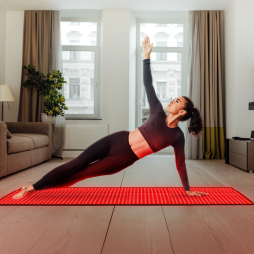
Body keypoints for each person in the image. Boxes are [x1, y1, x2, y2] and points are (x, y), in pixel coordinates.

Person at [12, 36, 209, 200]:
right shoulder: (158, 111)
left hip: (123, 158)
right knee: (76, 163)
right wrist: (146, 56)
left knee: (80, 175)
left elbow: (180, 164)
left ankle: (39, 190)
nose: (171, 101)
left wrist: (187, 189)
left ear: (182, 112)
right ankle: (33, 187)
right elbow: (148, 84)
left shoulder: (177, 137)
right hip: (117, 139)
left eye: (176, 101)